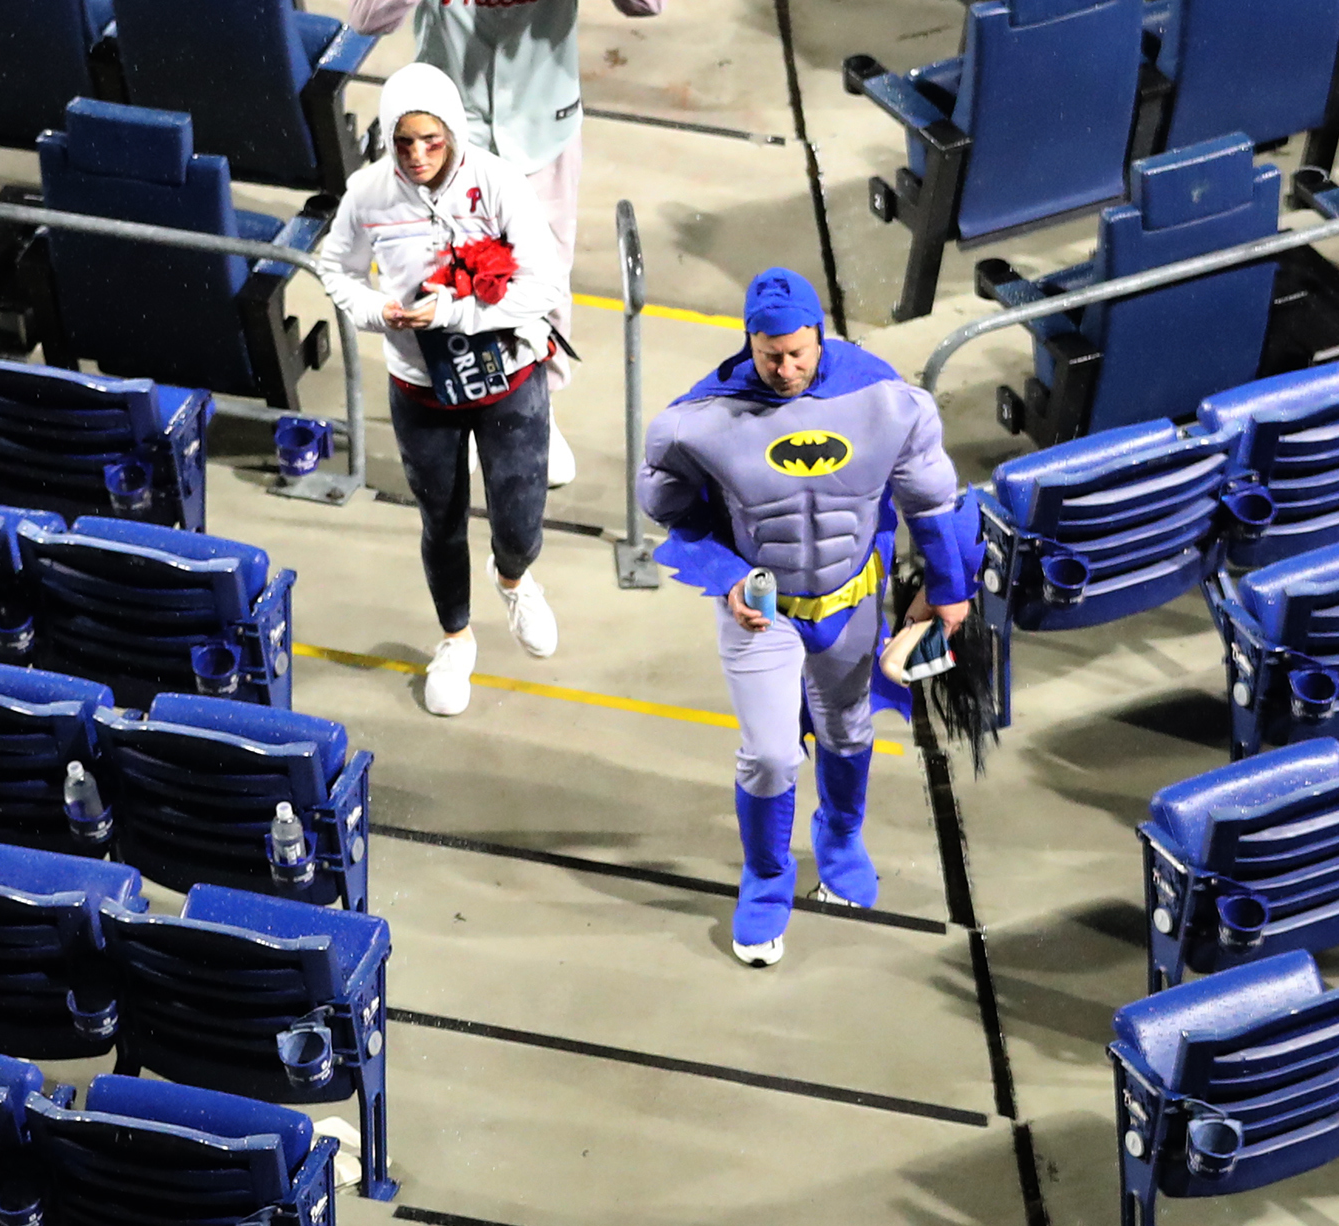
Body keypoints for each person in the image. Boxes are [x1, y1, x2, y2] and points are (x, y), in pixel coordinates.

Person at [638, 268, 976, 969]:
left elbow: (934, 500)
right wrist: (729, 575)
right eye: (770, 355)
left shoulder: (885, 399)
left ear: (820, 336)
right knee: (767, 754)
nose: (786, 368)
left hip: (850, 603)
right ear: (750, 344)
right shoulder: (698, 420)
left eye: (798, 352)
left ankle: (842, 837)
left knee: (849, 729)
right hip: (764, 611)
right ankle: (766, 878)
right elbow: (667, 510)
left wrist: (947, 586)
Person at [313, 63, 567, 719]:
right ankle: (455, 639)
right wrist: (377, 312)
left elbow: (544, 286)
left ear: (453, 132)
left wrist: (457, 314)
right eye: (403, 143)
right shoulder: (368, 194)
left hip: (508, 377)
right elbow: (333, 267)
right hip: (422, 388)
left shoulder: (498, 184)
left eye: (431, 140)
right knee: (441, 520)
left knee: (518, 517)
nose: (418, 156)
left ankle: (512, 577)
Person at [341, 0, 664, 487]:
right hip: (447, 140)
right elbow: (367, 18)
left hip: (542, 129)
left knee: (544, 277)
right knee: (437, 278)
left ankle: (538, 408)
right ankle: (456, 408)